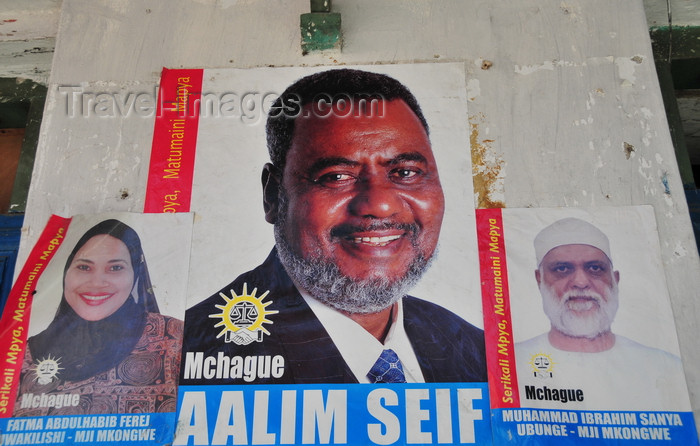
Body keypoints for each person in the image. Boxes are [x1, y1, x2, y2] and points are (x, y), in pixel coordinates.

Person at [182, 69, 486, 384]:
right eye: (337, 176)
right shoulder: (181, 361)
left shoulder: (478, 354)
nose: (380, 204)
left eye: (405, 172)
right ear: (273, 195)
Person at [515, 217, 690, 411]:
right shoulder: (509, 364)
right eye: (562, 269)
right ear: (540, 280)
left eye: (595, 268)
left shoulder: (665, 368)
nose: (581, 282)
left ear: (615, 279)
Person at [14, 219, 183, 416]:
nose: (96, 283)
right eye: (84, 267)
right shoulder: (22, 357)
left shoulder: (174, 339)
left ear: (135, 274)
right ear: (66, 273)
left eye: (115, 268)